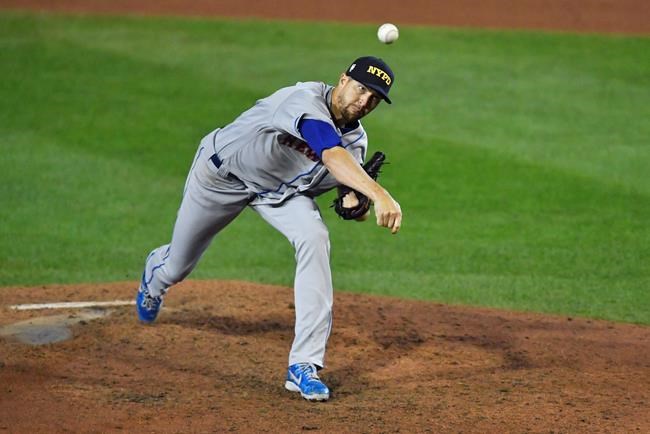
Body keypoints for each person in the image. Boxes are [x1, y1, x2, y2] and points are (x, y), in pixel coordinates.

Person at [136, 56, 402, 401]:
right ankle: (155, 278)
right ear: (342, 80)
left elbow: (349, 196)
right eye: (361, 89)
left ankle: (303, 365)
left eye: (375, 99)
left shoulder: (357, 143)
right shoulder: (303, 100)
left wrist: (356, 204)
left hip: (278, 196)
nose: (364, 102)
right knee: (178, 265)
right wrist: (379, 193)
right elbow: (328, 150)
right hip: (221, 177)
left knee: (315, 236)